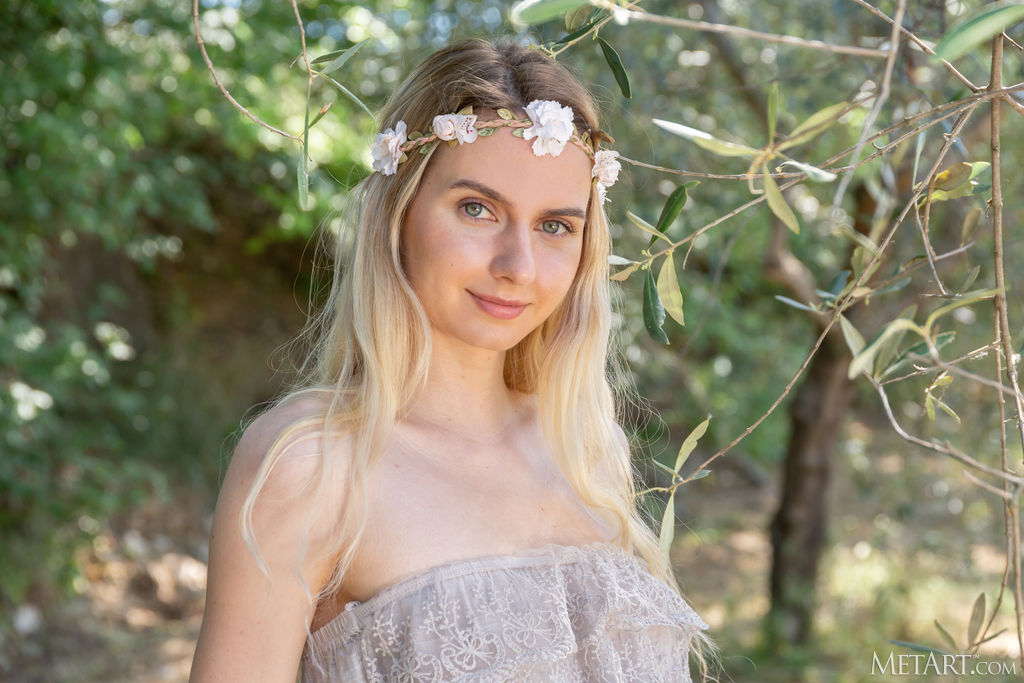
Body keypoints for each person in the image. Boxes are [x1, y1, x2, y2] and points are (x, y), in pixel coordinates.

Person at [190, 38, 714, 682]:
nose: (518, 267)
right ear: (398, 212)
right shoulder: (314, 465)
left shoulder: (584, 449)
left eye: (555, 225)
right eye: (477, 209)